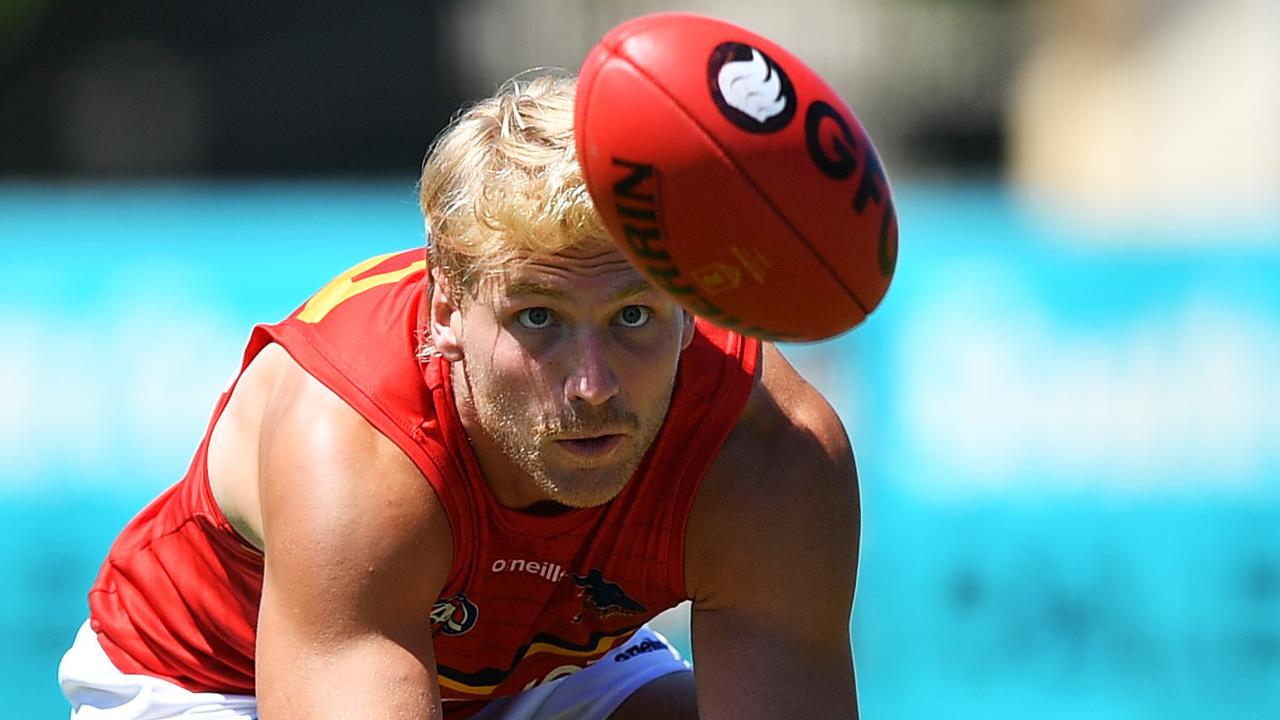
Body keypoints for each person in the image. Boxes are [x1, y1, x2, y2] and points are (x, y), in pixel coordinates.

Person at [57, 71, 861, 719]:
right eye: (538, 317)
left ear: (688, 309)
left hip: (530, 671)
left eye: (634, 315)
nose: (593, 384)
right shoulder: (357, 440)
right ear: (448, 310)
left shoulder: (765, 451)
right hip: (207, 684)